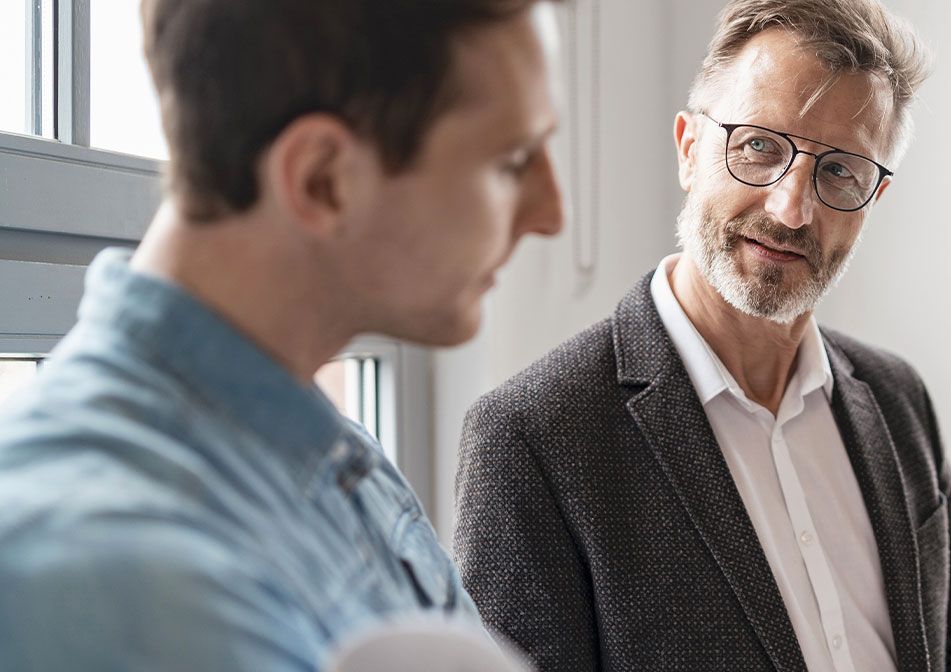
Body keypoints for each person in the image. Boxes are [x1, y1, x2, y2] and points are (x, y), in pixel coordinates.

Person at [454, 0, 951, 670]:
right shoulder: (534, 436)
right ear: (690, 150)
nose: (791, 208)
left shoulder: (896, 398)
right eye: (759, 146)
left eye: (839, 170)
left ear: (873, 200)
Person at [0, 1, 563, 670]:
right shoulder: (114, 579)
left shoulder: (329, 457)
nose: (550, 213)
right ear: (323, 180)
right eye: (511, 161)